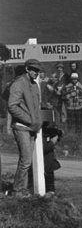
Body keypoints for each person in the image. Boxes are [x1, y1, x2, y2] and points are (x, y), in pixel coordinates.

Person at [7, 59, 43, 197]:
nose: (36, 72)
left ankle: (22, 189)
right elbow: (12, 106)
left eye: (38, 70)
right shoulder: (18, 83)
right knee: (26, 160)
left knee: (26, 161)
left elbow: (36, 107)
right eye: (34, 70)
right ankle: (17, 190)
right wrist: (29, 120)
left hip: (32, 127)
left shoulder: (34, 85)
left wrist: (37, 122)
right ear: (27, 69)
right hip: (21, 126)